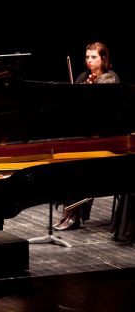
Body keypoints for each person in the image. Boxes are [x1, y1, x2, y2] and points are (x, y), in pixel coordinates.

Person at [55, 41, 120, 231]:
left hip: (105, 139)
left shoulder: (111, 79)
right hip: (85, 135)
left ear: (103, 59)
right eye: (87, 57)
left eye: (94, 57)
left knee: (81, 167)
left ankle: (74, 214)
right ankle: (69, 212)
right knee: (67, 161)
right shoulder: (83, 77)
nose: (89, 61)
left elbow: (110, 113)